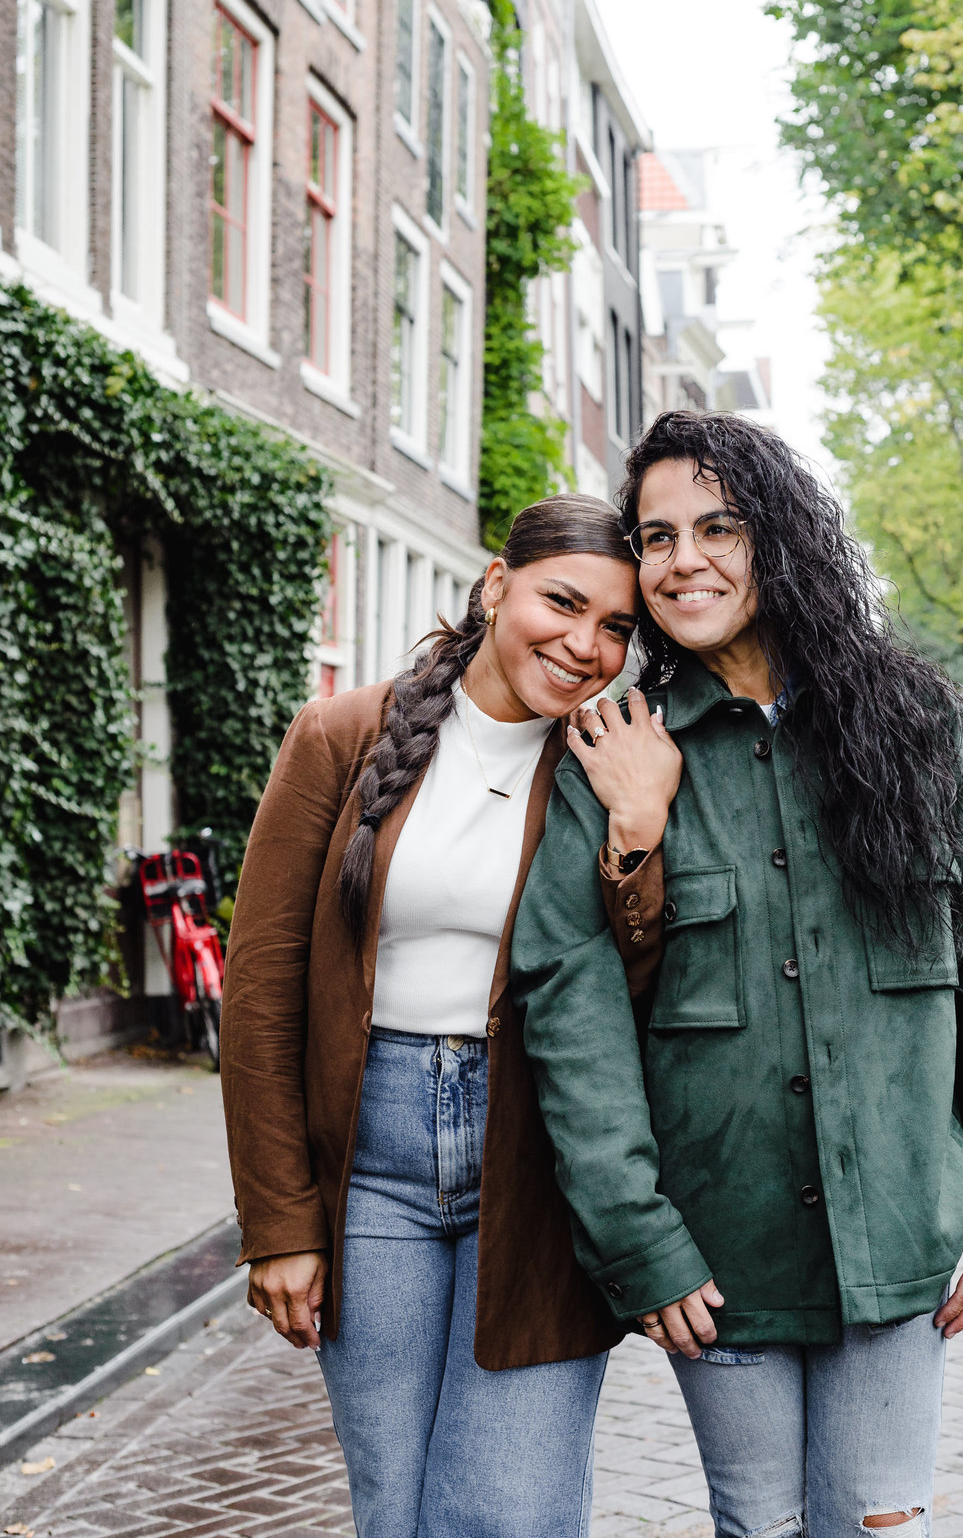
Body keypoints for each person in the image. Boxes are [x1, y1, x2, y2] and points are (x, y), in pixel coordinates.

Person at [511, 411, 963, 1538]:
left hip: (903, 1236)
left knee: (875, 1521)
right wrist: (637, 1234)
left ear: (781, 536)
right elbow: (571, 1005)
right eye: (656, 538)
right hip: (721, 1258)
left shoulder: (916, 724)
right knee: (758, 1527)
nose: (684, 560)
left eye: (719, 526)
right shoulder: (615, 744)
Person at [220, 494, 665, 1538]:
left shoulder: (608, 765)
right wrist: (280, 1223)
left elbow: (643, 991)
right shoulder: (341, 736)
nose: (585, 645)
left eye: (616, 629)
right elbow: (263, 988)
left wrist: (639, 829)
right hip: (371, 1161)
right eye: (564, 601)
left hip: (540, 1158)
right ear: (495, 581)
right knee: (395, 1504)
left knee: (511, 1508)